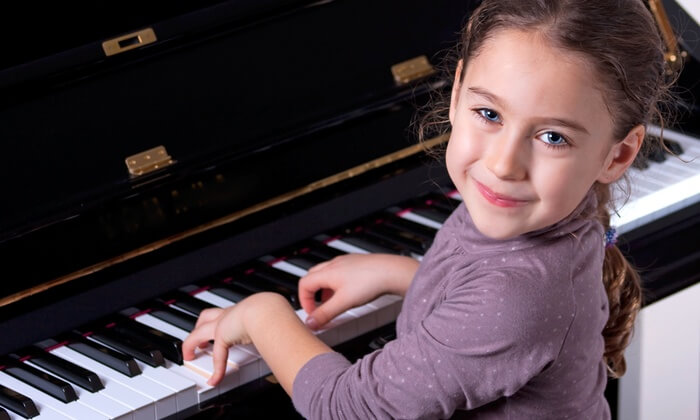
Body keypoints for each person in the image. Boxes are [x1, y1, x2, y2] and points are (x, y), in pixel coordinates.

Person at [182, 0, 677, 417]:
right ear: (458, 88)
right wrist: (402, 273)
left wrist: (264, 313)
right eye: (489, 114)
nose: (503, 164)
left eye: (553, 137)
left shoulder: (521, 294)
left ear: (619, 155)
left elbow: (347, 408)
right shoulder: (537, 221)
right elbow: (488, 289)